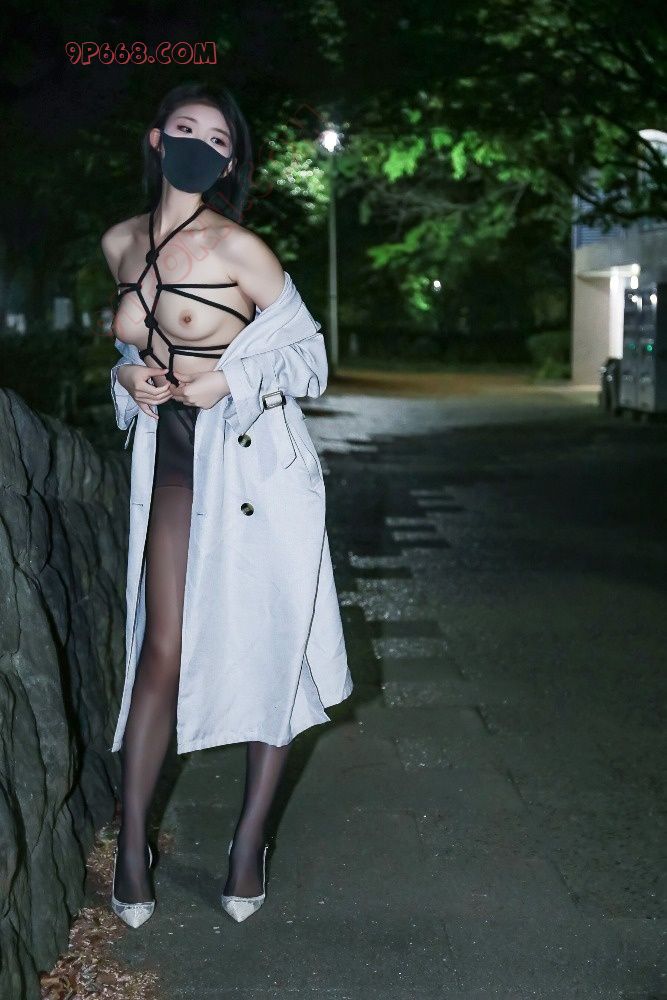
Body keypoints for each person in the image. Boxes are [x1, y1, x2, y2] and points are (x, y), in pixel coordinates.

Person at [101, 82, 353, 927]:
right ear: (156, 138)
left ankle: (248, 842)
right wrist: (127, 377)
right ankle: (132, 845)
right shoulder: (120, 242)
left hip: (255, 469)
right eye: (185, 129)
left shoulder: (242, 249)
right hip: (172, 458)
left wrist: (227, 378)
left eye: (216, 139)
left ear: (229, 160)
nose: (198, 146)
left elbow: (309, 363)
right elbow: (129, 348)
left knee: (268, 644)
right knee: (161, 646)